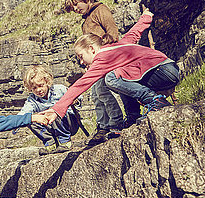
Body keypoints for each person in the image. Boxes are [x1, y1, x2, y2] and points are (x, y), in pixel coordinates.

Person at [41, 9, 180, 128]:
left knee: (111, 78)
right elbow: (134, 33)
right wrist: (146, 17)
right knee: (120, 74)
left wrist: (57, 109)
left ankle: (155, 101)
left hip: (161, 71)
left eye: (81, 56)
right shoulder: (117, 47)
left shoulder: (102, 58)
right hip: (169, 69)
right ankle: (133, 116)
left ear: (91, 49)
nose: (82, 62)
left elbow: (80, 85)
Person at [64, 0, 124, 145]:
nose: (76, 9)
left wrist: (105, 50)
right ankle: (102, 126)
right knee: (96, 95)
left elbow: (113, 33)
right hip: (94, 62)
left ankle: (116, 122)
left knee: (103, 91)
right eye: (73, 8)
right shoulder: (86, 21)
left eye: (77, 4)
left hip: (104, 59)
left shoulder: (100, 10)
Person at [16, 65, 80, 155]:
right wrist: (15, 122)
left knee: (54, 110)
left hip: (69, 123)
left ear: (47, 82)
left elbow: (77, 96)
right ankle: (50, 143)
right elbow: (24, 111)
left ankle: (65, 142)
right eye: (34, 88)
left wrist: (75, 101)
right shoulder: (32, 100)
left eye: (41, 85)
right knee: (30, 118)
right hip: (51, 127)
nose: (38, 90)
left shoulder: (59, 89)